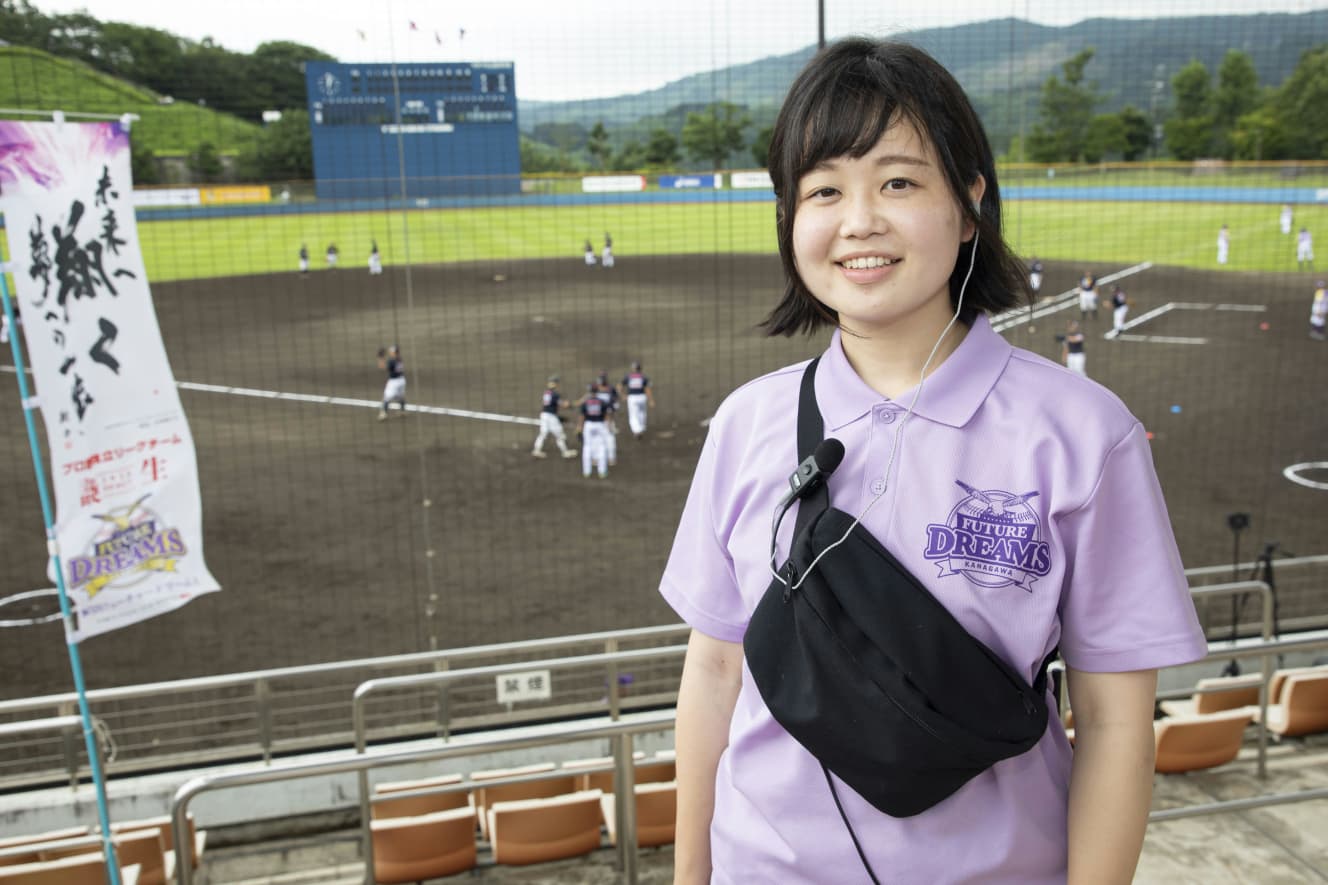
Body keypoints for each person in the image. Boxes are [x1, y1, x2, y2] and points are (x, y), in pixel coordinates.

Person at [660, 39, 1205, 885]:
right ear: (789, 216)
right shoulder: (747, 423)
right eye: (824, 190)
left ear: (971, 201)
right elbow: (714, 667)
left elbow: (1114, 722)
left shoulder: (1083, 434)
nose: (860, 220)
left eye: (899, 182)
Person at [531, 375, 578, 459]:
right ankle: (565, 452)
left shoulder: (546, 392)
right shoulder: (555, 394)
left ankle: (536, 450)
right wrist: (571, 405)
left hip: (544, 415)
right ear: (555, 384)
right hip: (551, 416)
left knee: (543, 433)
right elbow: (563, 405)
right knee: (560, 434)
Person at [578, 383, 610, 478]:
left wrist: (580, 427)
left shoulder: (585, 402)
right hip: (600, 424)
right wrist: (607, 426)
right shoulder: (602, 402)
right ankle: (602, 471)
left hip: (588, 425)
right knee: (602, 447)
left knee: (587, 446)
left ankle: (587, 471)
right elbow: (606, 415)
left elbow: (582, 416)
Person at [619, 360, 654, 439]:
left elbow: (619, 386)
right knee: (642, 413)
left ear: (633, 368)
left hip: (632, 398)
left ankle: (637, 431)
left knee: (633, 415)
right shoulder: (643, 377)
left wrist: (622, 396)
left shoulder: (628, 377)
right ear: (640, 368)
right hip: (642, 397)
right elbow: (647, 389)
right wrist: (651, 400)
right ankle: (641, 429)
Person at [594, 371, 620, 466]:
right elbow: (615, 405)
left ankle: (608, 459)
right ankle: (605, 459)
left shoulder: (603, 391)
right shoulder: (607, 391)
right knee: (605, 439)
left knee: (606, 439)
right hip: (601, 420)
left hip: (603, 420)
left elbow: (613, 406)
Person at [376, 345, 406, 420]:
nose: (390, 353)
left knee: (386, 397)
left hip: (394, 382)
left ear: (395, 352)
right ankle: (402, 411)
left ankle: (383, 414)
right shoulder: (399, 359)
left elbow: (382, 367)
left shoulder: (392, 361)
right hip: (402, 380)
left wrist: (380, 357)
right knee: (400, 397)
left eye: (392, 352)